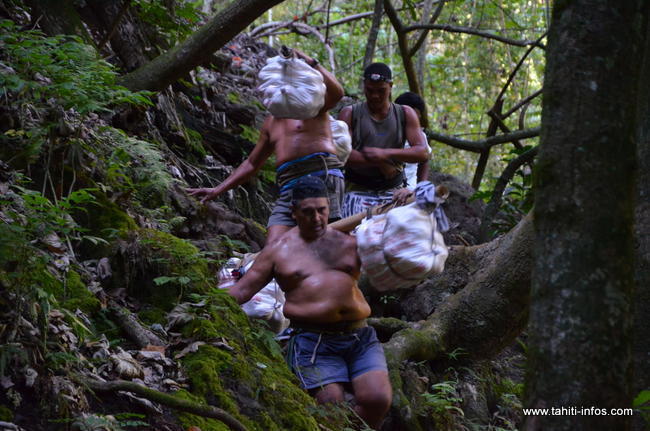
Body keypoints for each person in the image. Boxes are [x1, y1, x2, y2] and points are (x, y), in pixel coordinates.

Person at [226, 176, 392, 430]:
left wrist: (406, 199)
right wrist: (206, 302)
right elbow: (243, 290)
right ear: (293, 212)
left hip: (361, 336)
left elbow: (395, 243)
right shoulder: (277, 251)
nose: (316, 218)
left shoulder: (350, 241)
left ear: (329, 208)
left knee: (378, 399)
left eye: (322, 211)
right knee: (331, 406)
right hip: (314, 342)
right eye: (308, 212)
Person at [187, 49, 345, 245]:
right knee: (275, 244)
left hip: (321, 173)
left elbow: (337, 93)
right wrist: (216, 190)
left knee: (325, 239)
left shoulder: (313, 106)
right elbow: (252, 163)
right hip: (288, 184)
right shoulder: (271, 123)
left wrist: (312, 62)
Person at [338, 62, 429, 218]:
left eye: (381, 91)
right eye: (370, 90)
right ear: (364, 86)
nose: (375, 96)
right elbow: (342, 154)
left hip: (394, 190)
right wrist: (380, 162)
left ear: (391, 86)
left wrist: (384, 154)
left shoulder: (405, 113)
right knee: (358, 236)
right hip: (357, 189)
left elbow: (422, 152)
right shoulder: (350, 114)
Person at [392, 91, 433, 203]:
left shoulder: (420, 137)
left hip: (410, 192)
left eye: (415, 116)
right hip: (386, 191)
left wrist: (419, 189)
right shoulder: (386, 132)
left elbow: (425, 160)